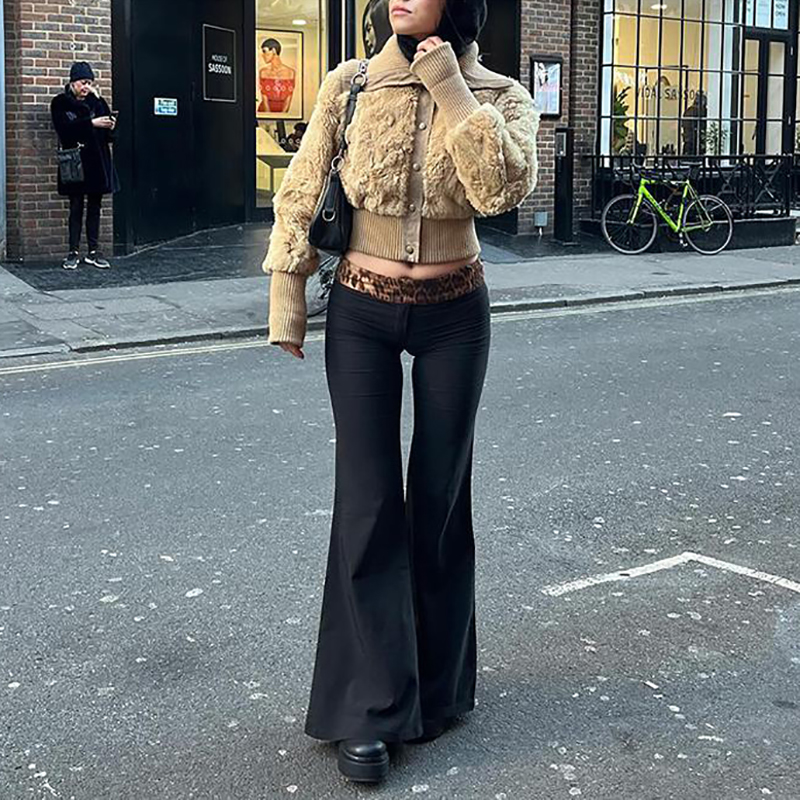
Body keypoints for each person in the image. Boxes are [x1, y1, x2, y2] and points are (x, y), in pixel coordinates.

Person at [262, 0, 539, 784]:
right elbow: (303, 184)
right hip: (362, 309)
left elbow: (500, 191)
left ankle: (438, 688)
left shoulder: (500, 93)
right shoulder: (350, 83)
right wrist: (287, 294)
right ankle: (369, 706)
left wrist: (450, 84)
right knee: (369, 499)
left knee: (440, 497)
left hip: (456, 313)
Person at [50, 62, 119, 270]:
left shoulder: (97, 102)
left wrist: (111, 126)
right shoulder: (60, 103)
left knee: (95, 207)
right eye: (83, 82)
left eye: (89, 82)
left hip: (97, 162)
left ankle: (93, 251)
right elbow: (64, 130)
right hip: (76, 162)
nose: (86, 87)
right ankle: (73, 252)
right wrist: (91, 123)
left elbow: (109, 136)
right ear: (72, 82)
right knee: (76, 207)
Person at [257, 38, 296, 115]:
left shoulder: (290, 72)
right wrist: (269, 117)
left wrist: (282, 117)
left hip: (281, 113)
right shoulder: (263, 72)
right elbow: (264, 100)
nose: (262, 55)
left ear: (274, 51)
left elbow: (288, 100)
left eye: (264, 51)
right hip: (264, 113)